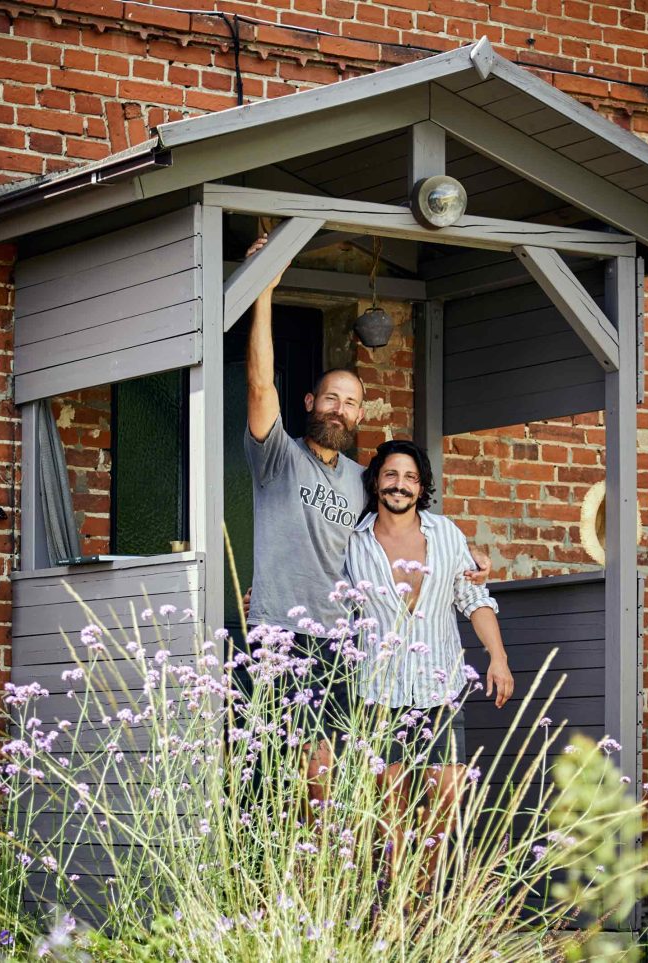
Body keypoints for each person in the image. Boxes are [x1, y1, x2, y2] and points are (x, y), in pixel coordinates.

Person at [243, 235, 492, 794]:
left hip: (342, 642)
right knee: (280, 771)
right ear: (309, 403)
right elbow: (260, 383)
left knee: (329, 773)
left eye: (351, 402)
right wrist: (264, 289)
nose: (340, 409)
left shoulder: (362, 478)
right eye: (330, 398)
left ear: (360, 415)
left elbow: (411, 512)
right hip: (277, 631)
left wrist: (465, 552)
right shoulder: (277, 457)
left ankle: (320, 879)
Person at [343, 438, 514, 889]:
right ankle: (393, 900)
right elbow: (333, 605)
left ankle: (424, 889)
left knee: (448, 794)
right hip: (379, 692)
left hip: (441, 688)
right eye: (391, 475)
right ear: (377, 481)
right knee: (390, 807)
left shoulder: (446, 534)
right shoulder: (353, 542)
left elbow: (472, 596)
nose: (400, 485)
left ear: (422, 488)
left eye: (410, 478)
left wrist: (497, 657)